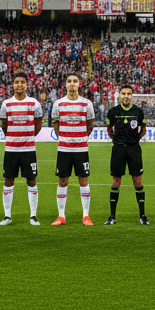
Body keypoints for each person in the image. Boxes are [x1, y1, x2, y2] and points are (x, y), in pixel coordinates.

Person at [50, 73, 96, 225]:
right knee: (63, 181)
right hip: (64, 149)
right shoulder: (58, 103)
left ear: (79, 84)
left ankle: (86, 215)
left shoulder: (86, 103)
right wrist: (65, 137)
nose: (71, 84)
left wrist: (79, 137)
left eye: (74, 81)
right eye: (69, 81)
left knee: (83, 180)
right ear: (65, 84)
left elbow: (90, 124)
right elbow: (55, 123)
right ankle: (61, 216)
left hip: (81, 149)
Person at [0, 73, 44, 225]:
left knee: (31, 180)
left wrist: (28, 137)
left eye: (22, 82)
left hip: (28, 149)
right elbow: (4, 125)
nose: (19, 84)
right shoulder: (6, 104)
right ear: (13, 85)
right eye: (17, 82)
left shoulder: (34, 103)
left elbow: (38, 125)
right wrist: (14, 137)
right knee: (8, 180)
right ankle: (7, 216)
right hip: (11, 149)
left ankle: (33, 215)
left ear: (26, 85)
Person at [104, 84, 148, 225]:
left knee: (138, 181)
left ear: (132, 96)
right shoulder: (113, 112)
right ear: (119, 95)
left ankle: (142, 216)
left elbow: (144, 129)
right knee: (116, 181)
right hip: (118, 149)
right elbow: (110, 130)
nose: (126, 96)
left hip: (134, 149)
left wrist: (135, 140)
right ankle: (112, 216)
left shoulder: (138, 112)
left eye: (128, 94)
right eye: (123, 94)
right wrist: (118, 141)